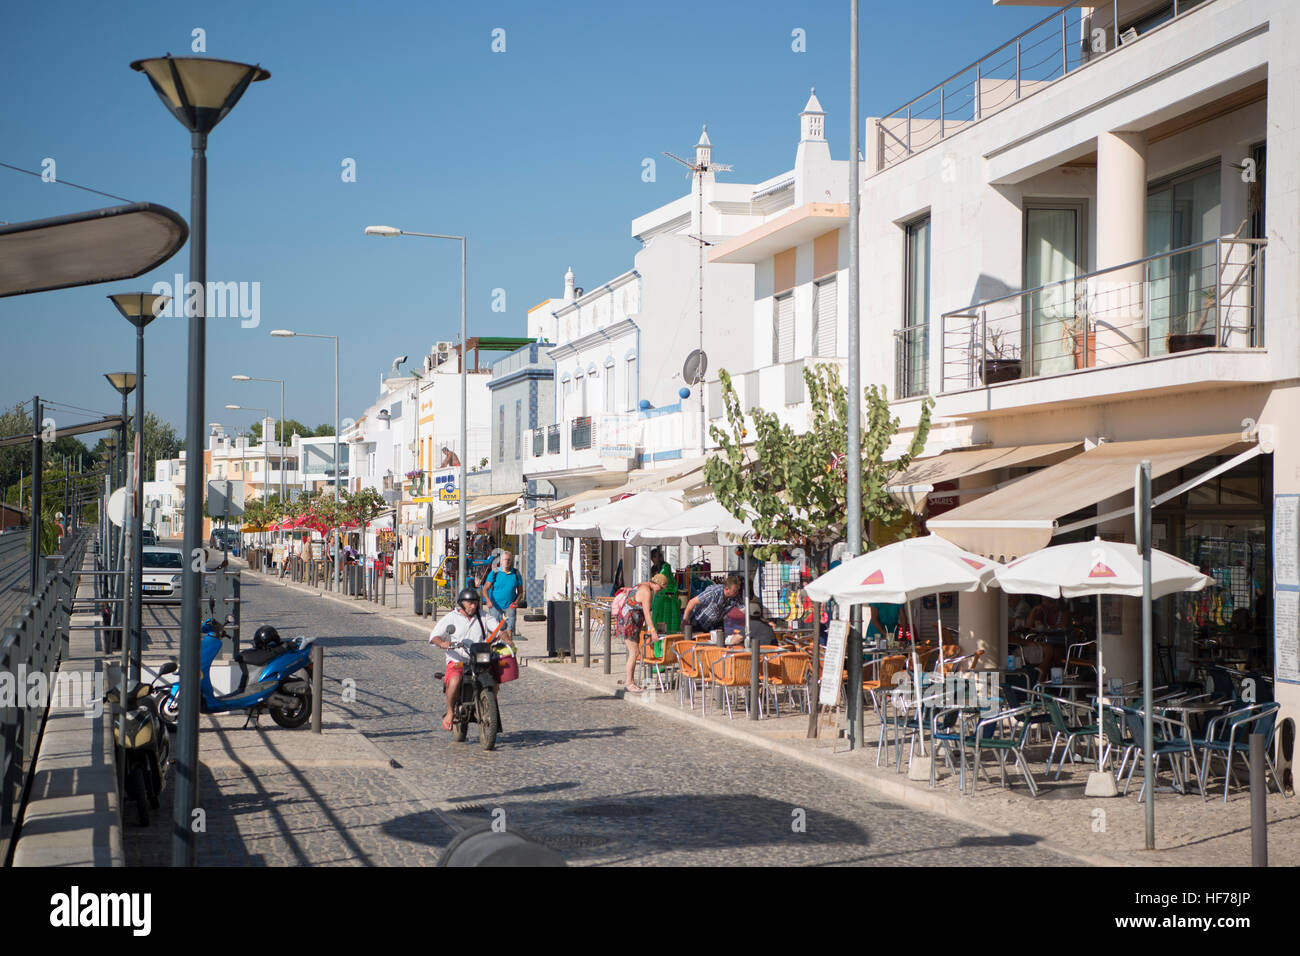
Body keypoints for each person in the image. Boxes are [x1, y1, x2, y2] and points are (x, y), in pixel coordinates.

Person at [429, 588, 503, 732]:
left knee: (495, 681)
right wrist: (443, 643)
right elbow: (434, 636)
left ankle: (489, 708)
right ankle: (450, 711)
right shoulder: (451, 618)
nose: (473, 606)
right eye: (470, 603)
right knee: (455, 681)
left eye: (475, 603)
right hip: (458, 660)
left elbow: (497, 629)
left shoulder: (483, 616)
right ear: (462, 604)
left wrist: (504, 635)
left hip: (479, 659)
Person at [612, 573, 668, 693]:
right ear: (656, 584)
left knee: (634, 651)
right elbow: (647, 613)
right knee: (634, 652)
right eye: (661, 588)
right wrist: (652, 631)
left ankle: (630, 681)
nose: (661, 590)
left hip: (630, 622)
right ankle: (629, 683)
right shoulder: (646, 591)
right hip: (629, 623)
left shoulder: (643, 585)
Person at [484, 550, 523, 633]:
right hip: (495, 606)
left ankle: (509, 645)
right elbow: (485, 588)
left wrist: (516, 602)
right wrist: (488, 601)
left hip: (510, 606)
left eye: (509, 560)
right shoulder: (494, 572)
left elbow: (520, 592)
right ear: (501, 561)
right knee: (494, 631)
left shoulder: (516, 573)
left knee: (509, 630)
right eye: (505, 559)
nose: (507, 562)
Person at [648, 547, 680, 633]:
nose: (662, 557)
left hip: (667, 598)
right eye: (659, 556)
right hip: (658, 598)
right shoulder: (653, 568)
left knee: (667, 619)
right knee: (659, 618)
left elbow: (667, 581)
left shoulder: (665, 566)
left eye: (661, 556)